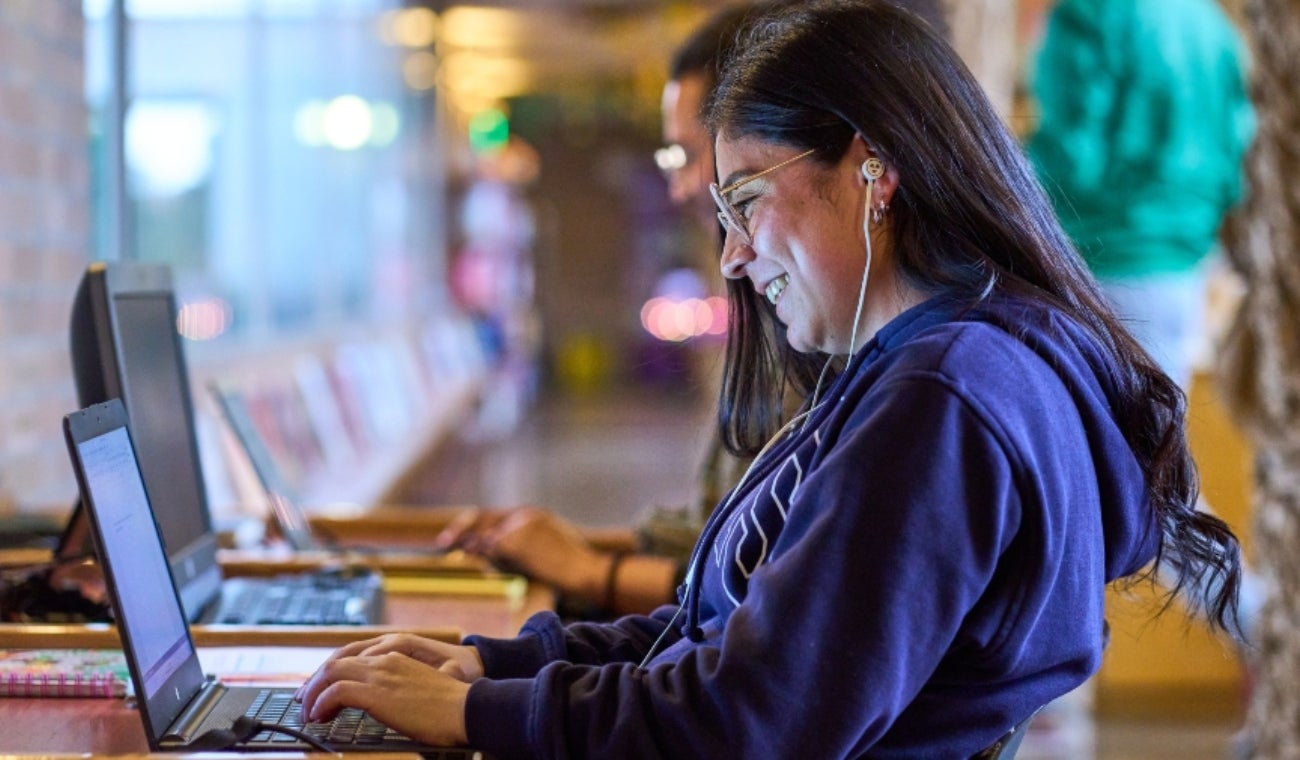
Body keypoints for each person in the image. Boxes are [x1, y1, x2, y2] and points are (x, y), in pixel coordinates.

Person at [296, 3, 1243, 756]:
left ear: (873, 168)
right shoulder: (932, 366)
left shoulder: (944, 396)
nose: (734, 256)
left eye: (746, 197)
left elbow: (752, 720)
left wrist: (486, 714)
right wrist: (491, 669)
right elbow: (723, 638)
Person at [433, 0, 951, 620]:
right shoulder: (853, 333)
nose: (683, 191)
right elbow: (742, 559)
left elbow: (762, 601)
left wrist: (590, 576)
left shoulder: (920, 376)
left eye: (740, 189)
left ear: (872, 169)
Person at [1025, 0, 1263, 638]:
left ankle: (1267, 632)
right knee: (1134, 487)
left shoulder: (1094, 13)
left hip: (1100, 269)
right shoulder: (1211, 25)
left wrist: (984, 190)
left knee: (1148, 499)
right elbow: (1239, 152)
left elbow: (1070, 155)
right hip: (1181, 270)